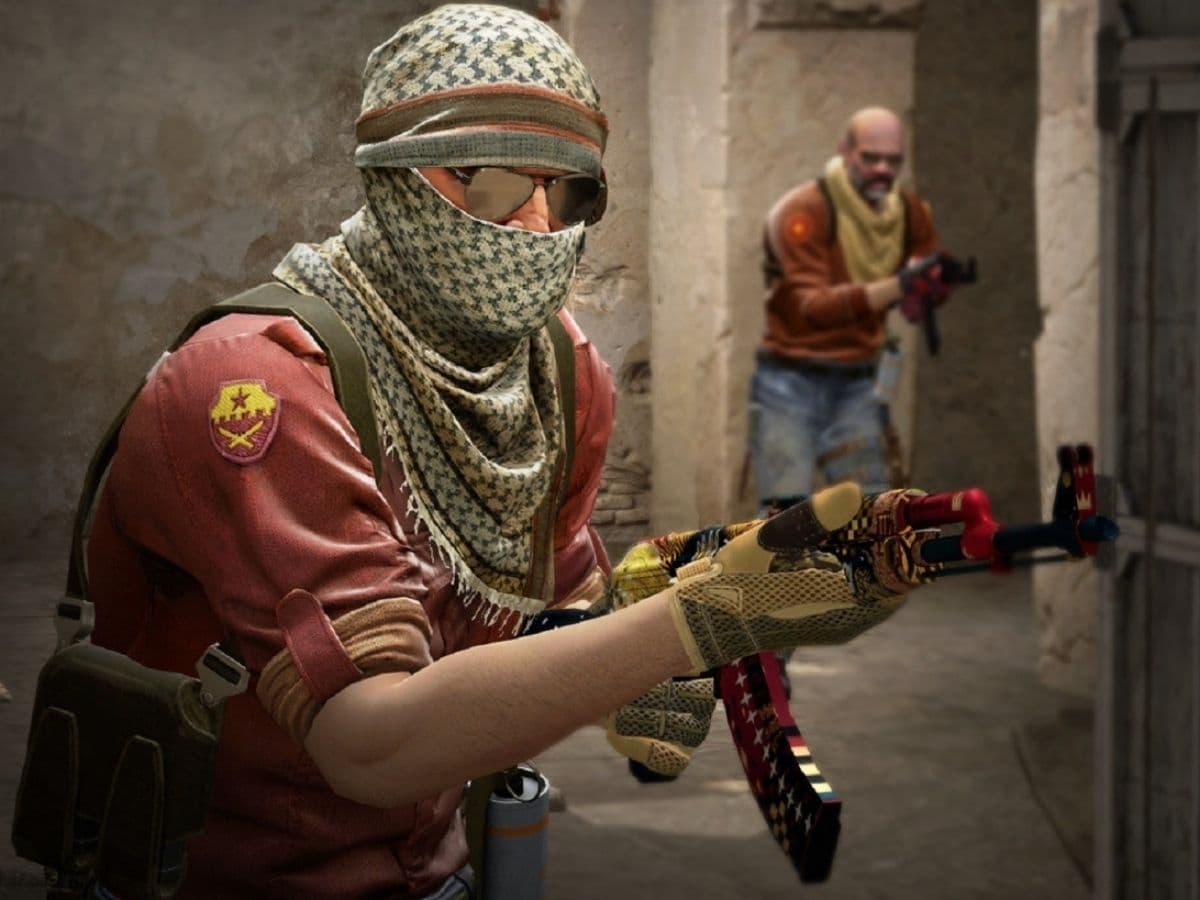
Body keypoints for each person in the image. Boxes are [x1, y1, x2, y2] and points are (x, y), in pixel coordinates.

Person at [79, 8, 927, 898]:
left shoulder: (557, 370)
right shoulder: (258, 384)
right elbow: (368, 746)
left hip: (442, 867)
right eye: (487, 183)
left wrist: (672, 611)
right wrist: (691, 621)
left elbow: (552, 615)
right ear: (393, 172)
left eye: (569, 194)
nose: (533, 225)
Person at [749, 106, 960, 512]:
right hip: (789, 381)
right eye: (870, 158)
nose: (883, 169)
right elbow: (813, 307)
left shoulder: (908, 213)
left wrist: (931, 288)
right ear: (845, 152)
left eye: (893, 161)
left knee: (870, 514)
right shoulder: (804, 211)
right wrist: (899, 285)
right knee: (782, 518)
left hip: (858, 381)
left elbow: (926, 272)